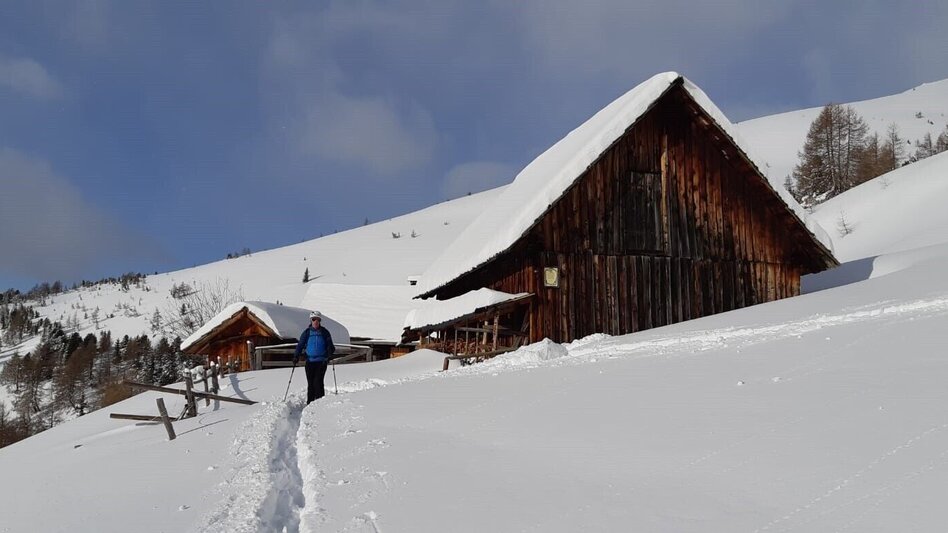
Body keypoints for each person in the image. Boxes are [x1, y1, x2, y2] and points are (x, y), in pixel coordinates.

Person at [294, 310, 336, 404]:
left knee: (318, 382)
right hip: (309, 362)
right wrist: (296, 356)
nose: (315, 321)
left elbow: (330, 345)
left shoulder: (325, 332)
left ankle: (319, 402)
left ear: (320, 321)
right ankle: (310, 402)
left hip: (322, 361)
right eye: (314, 319)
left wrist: (330, 353)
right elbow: (300, 345)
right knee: (311, 383)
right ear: (311, 320)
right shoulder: (307, 332)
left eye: (317, 319)